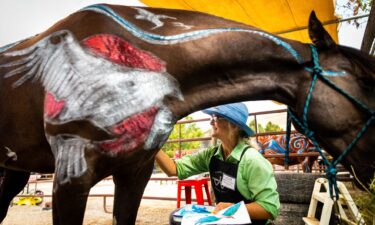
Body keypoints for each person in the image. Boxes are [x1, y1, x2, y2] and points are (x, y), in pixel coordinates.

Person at [156, 102, 280, 225]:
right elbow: (173, 169)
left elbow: (269, 209)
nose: (211, 122)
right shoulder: (211, 155)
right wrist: (151, 144)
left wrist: (232, 209)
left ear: (233, 125)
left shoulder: (252, 160)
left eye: (216, 118)